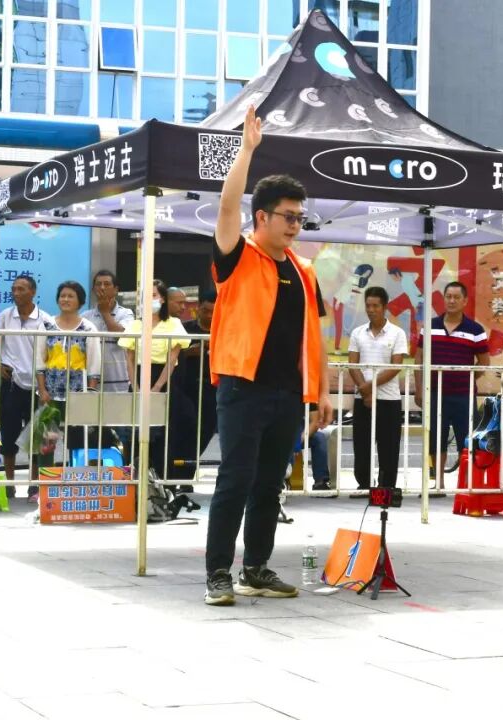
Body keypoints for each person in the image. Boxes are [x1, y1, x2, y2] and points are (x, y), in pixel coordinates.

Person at [204, 104, 333, 606]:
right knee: (234, 480)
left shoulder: (303, 270)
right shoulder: (238, 255)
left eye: (300, 217)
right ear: (262, 217)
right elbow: (226, 207)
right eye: (288, 216)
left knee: (269, 484)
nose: (296, 225)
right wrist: (247, 150)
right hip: (242, 386)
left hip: (286, 393)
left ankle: (255, 567)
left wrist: (321, 392)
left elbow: (314, 336)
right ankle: (218, 572)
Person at [413, 281, 489, 485]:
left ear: (465, 301)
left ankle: (466, 483)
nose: (452, 301)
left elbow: (484, 363)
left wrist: (466, 377)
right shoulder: (430, 326)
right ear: (444, 299)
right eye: (448, 296)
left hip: (464, 396)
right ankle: (437, 483)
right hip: (434, 394)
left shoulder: (475, 330)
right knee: (435, 438)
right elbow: (419, 359)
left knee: (467, 439)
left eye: (456, 297)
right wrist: (419, 389)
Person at [34, 281, 101, 500]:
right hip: (51, 393)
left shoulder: (88, 328)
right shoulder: (46, 325)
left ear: (80, 301)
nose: (65, 299)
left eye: (70, 296)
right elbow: (39, 360)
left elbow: (94, 364)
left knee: (78, 441)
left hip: (78, 394)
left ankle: (78, 487)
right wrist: (42, 389)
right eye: (62, 295)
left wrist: (90, 393)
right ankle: (45, 489)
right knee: (47, 442)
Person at [347, 286, 407, 491]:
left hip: (388, 399)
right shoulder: (357, 333)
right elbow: (353, 364)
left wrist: (369, 386)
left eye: (375, 306)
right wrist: (364, 392)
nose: (371, 310)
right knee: (362, 445)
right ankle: (364, 485)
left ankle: (386, 488)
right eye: (368, 306)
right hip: (362, 399)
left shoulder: (397, 333)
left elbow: (396, 366)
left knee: (389, 446)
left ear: (384, 307)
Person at [0, 274, 51, 486]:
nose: (16, 293)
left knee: (36, 437)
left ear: (33, 292)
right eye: (14, 289)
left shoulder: (45, 320)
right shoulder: (5, 316)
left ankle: (33, 486)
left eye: (21, 289)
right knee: (8, 435)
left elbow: (51, 353)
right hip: (11, 383)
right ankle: (9, 484)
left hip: (38, 384)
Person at [169, 289, 217, 482]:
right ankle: (175, 477)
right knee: (183, 432)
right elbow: (172, 353)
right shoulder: (185, 329)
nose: (210, 316)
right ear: (198, 309)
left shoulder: (224, 330)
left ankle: (186, 476)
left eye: (214, 311)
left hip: (212, 390)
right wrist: (189, 352)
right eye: (206, 311)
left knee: (205, 433)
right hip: (186, 388)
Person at [119, 280, 189, 394]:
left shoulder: (174, 324)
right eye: (146, 296)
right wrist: (135, 388)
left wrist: (157, 387)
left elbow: (172, 359)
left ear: (163, 299)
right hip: (139, 377)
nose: (149, 299)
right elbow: (129, 360)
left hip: (164, 378)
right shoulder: (135, 325)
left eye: (153, 295)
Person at [81, 270, 135, 393]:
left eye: (107, 284)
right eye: (98, 284)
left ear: (116, 289)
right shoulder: (85, 317)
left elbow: (121, 337)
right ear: (93, 289)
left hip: (118, 381)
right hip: (91, 383)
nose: (102, 287)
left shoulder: (126, 313)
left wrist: (105, 312)